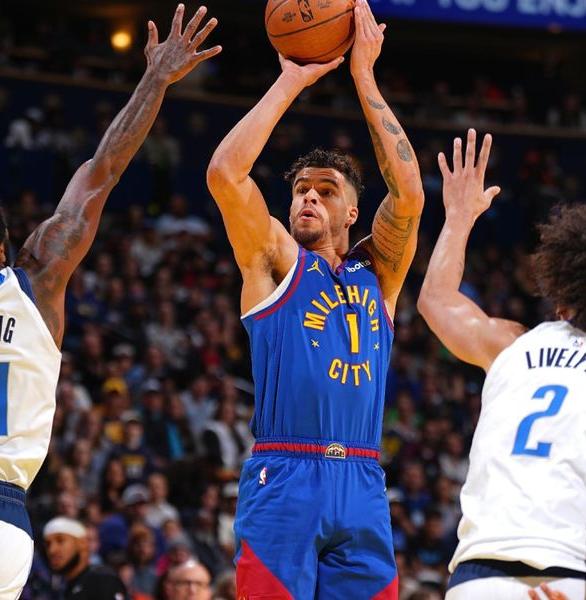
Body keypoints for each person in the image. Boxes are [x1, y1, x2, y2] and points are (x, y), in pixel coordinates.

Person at [0, 6, 220, 598]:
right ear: (5, 240)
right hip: (1, 528)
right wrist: (156, 78)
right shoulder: (42, 281)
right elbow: (102, 171)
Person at [206, 0, 423, 596]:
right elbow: (226, 173)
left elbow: (407, 194)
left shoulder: (376, 276)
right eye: (301, 189)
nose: (308, 198)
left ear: (352, 212)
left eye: (325, 191)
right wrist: (290, 80)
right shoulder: (276, 262)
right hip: (286, 473)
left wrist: (364, 77)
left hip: (363, 478)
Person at [416, 129, 586, 600]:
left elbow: (436, 300)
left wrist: (460, 217)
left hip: (478, 578)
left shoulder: (510, 344)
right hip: (574, 575)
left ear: (562, 291)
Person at [43, 516, 128, 600]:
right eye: (47, 544)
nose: (52, 550)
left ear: (83, 543)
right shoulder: (62, 587)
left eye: (60, 541)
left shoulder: (102, 580)